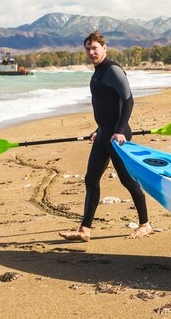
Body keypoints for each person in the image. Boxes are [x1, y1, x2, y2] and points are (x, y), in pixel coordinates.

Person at [59, 30, 152, 242]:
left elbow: (128, 101)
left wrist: (120, 130)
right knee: (91, 179)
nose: (91, 52)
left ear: (104, 48)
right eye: (88, 49)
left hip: (117, 136)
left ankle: (145, 224)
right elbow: (105, 106)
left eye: (95, 48)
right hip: (103, 134)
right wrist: (98, 129)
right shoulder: (97, 72)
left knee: (127, 180)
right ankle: (85, 230)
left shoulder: (113, 70)